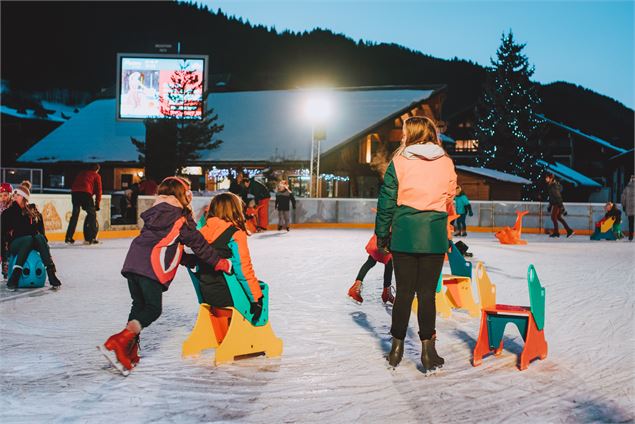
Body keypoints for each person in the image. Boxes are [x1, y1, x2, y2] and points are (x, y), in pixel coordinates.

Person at [99, 176, 231, 376]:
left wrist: (188, 260)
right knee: (153, 309)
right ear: (182, 195)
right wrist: (219, 262)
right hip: (151, 267)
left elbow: (167, 243)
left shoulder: (156, 213)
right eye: (188, 192)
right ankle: (121, 339)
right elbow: (199, 244)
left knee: (139, 305)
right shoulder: (179, 218)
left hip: (133, 263)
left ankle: (128, 350)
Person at [375, 116, 456, 371]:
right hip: (433, 236)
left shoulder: (398, 162)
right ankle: (428, 351)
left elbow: (386, 202)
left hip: (404, 235)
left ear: (409, 133)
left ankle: (396, 349)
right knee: (427, 296)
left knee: (404, 295)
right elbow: (450, 196)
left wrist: (382, 236)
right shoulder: (446, 162)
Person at [184, 192, 264, 320]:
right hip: (229, 294)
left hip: (207, 292)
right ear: (235, 210)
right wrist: (257, 298)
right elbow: (243, 269)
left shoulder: (201, 232)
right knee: (260, 294)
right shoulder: (235, 234)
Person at [1, 182, 62, 290]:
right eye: (14, 195)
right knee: (29, 238)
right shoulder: (9, 212)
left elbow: (41, 233)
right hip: (15, 244)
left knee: (39, 238)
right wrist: (4, 255)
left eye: (18, 195)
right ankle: (15, 275)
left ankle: (51, 273)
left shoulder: (33, 211)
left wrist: (44, 244)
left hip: (32, 241)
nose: (15, 197)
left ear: (24, 197)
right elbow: (2, 233)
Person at [347, 234, 395, 304]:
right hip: (386, 242)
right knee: (389, 263)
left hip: (380, 240)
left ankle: (356, 286)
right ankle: (386, 293)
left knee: (371, 261)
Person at [65, 163, 102, 244]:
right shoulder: (96, 175)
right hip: (85, 194)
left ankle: (68, 237)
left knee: (75, 216)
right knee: (92, 214)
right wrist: (97, 204)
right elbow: (99, 190)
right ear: (97, 170)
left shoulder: (81, 173)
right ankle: (92, 238)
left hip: (75, 194)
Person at [545, 173, 574, 238]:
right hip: (555, 204)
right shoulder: (550, 186)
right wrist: (550, 205)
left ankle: (556, 233)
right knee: (558, 217)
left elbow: (558, 197)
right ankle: (569, 231)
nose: (546, 179)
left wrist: (561, 207)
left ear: (551, 178)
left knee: (553, 217)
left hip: (557, 204)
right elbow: (552, 197)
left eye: (547, 178)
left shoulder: (553, 186)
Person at [1, 182, 13, 279]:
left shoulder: (12, 206)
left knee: (6, 246)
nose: (3, 198)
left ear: (10, 195)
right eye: (0, 196)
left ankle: (6, 266)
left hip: (10, 233)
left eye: (5, 195)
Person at [621, 175, 634, 241]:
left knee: (631, 223)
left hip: (629, 209)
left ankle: (630, 237)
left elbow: (623, 198)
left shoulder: (626, 188)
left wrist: (624, 206)